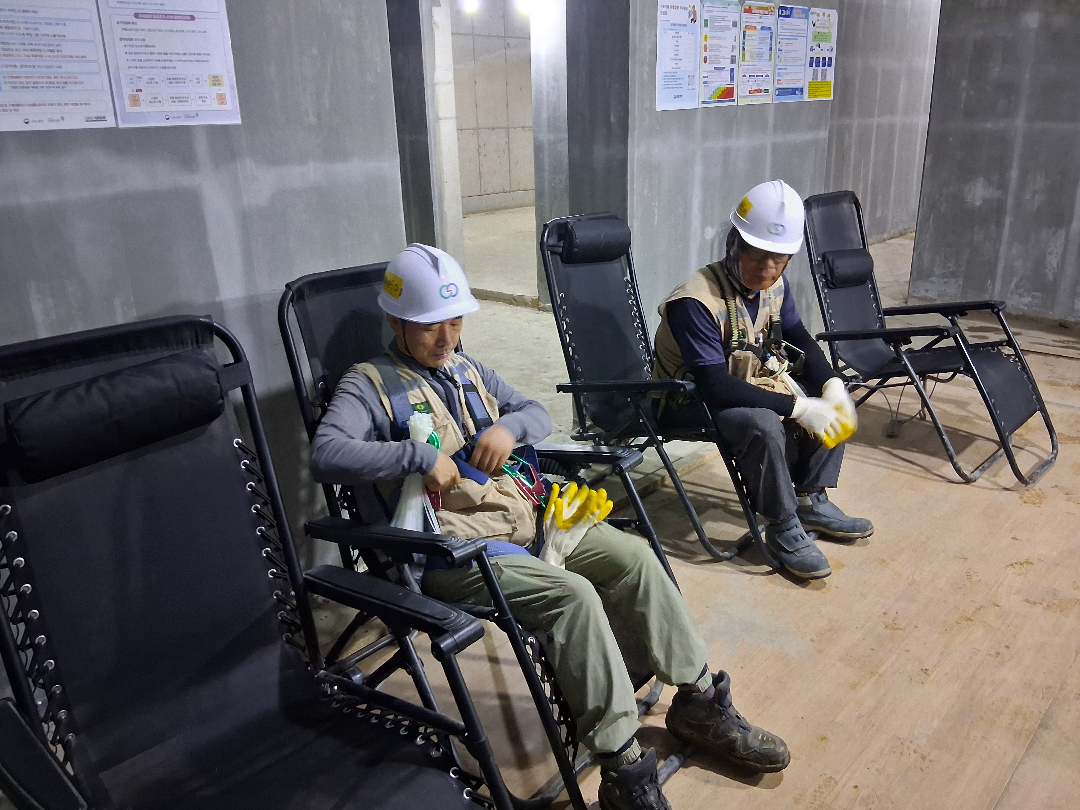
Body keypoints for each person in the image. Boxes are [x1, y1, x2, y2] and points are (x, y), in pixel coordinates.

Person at [311, 244, 790, 810]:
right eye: (430, 326)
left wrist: (508, 429)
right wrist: (414, 456)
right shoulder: (367, 385)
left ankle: (700, 701)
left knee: (635, 558)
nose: (446, 338)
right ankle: (623, 766)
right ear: (396, 321)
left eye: (456, 321)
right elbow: (327, 453)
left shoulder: (468, 369)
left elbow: (535, 413)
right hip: (456, 551)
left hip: (527, 519)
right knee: (573, 598)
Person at [652, 180, 873, 580]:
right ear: (733, 244)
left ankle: (808, 498)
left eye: (779, 259)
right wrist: (799, 407)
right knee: (764, 422)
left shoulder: (775, 286)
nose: (767, 269)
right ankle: (782, 523)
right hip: (686, 400)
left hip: (741, 385)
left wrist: (831, 385)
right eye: (756, 254)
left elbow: (798, 336)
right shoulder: (695, 301)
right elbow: (715, 387)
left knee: (829, 402)